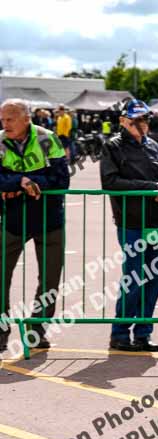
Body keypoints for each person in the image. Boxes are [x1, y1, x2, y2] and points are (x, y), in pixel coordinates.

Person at [99, 99, 158, 352]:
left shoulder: (153, 145)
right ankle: (120, 333)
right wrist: (147, 188)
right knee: (134, 278)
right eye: (136, 120)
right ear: (123, 121)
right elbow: (110, 182)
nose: (141, 124)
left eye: (145, 119)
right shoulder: (113, 146)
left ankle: (143, 332)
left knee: (154, 278)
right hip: (132, 223)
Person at [0, 98, 70, 351]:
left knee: (50, 280)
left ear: (26, 119)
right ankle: (1, 329)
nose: (5, 124)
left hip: (49, 220)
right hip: (12, 221)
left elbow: (62, 179)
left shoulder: (46, 138)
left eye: (10, 119)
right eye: (2, 119)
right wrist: (20, 182)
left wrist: (31, 182)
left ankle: (36, 330)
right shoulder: (0, 141)